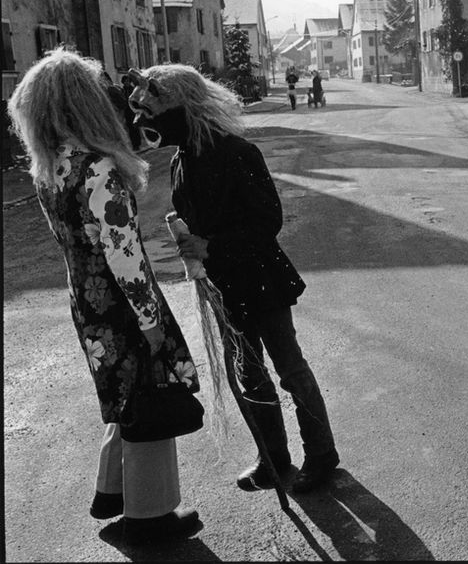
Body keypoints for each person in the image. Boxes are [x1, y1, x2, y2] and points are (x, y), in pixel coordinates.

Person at [6, 48, 200, 542]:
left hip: (87, 303)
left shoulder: (50, 167)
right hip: (121, 305)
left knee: (123, 399)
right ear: (82, 103)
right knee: (149, 401)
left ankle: (112, 494)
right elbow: (126, 257)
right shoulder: (98, 170)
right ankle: (149, 519)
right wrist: (153, 321)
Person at [126, 63, 340, 494]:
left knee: (289, 368)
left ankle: (321, 454)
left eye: (149, 114)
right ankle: (273, 458)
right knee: (248, 372)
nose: (141, 124)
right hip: (222, 284)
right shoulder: (182, 159)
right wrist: (190, 239)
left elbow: (268, 221)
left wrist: (211, 246)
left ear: (181, 109)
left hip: (261, 279)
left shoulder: (238, 152)